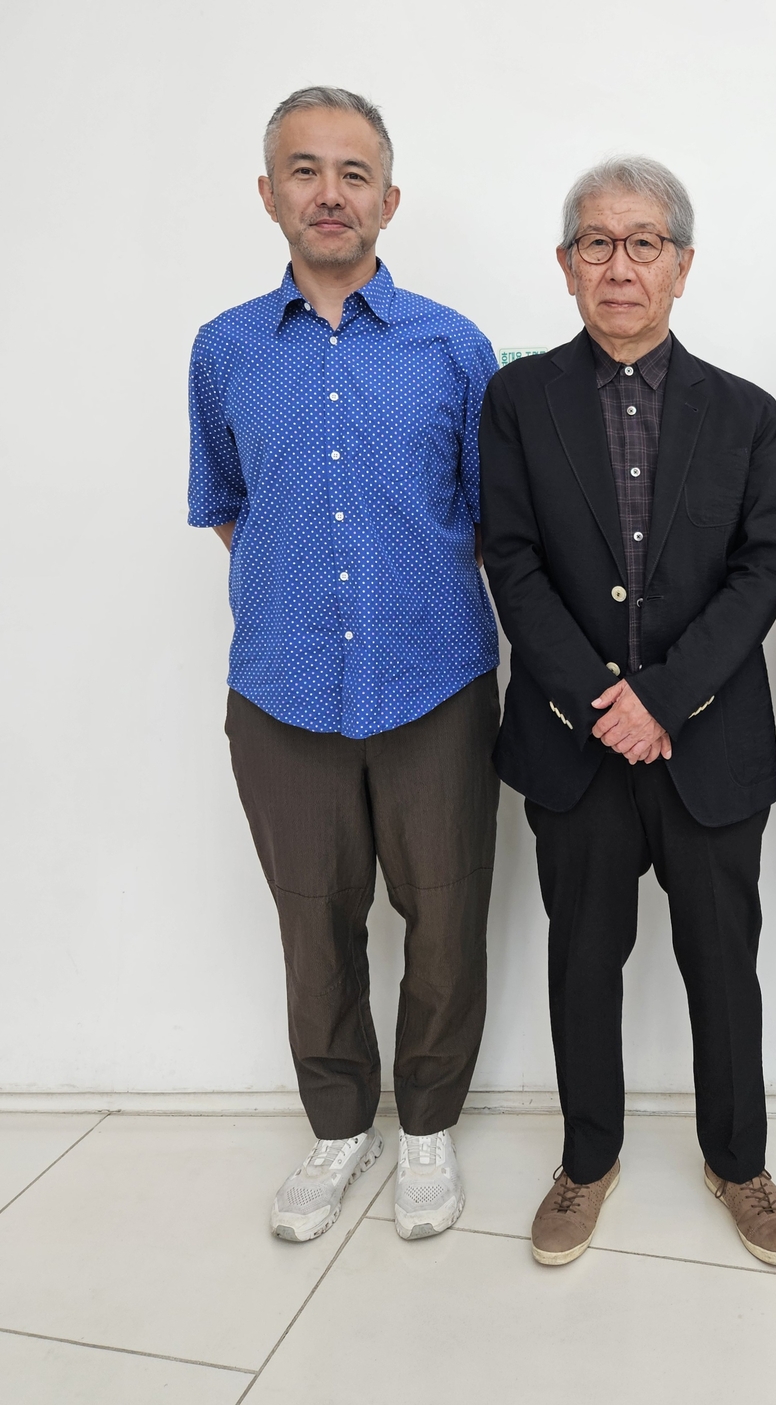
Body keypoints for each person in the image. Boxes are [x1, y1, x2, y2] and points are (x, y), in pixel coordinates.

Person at [187, 87, 501, 1244]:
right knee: (312, 919)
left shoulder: (453, 346)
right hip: (281, 684)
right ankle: (336, 1125)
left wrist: (394, 585)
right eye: (305, 170)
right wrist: (309, 595)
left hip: (435, 680)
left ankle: (426, 1124)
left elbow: (485, 516)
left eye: (353, 172)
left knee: (445, 912)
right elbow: (228, 503)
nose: (330, 192)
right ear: (268, 193)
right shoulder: (223, 349)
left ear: (389, 199)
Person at [480, 156, 776, 1268]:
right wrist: (597, 703)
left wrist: (661, 697)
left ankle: (739, 1162)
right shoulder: (517, 403)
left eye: (643, 243)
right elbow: (512, 562)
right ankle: (586, 1161)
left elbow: (761, 570)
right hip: (572, 749)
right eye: (596, 243)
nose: (619, 266)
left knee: (724, 964)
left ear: (682, 265)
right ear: (566, 264)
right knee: (583, 962)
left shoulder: (745, 412)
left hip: (708, 743)